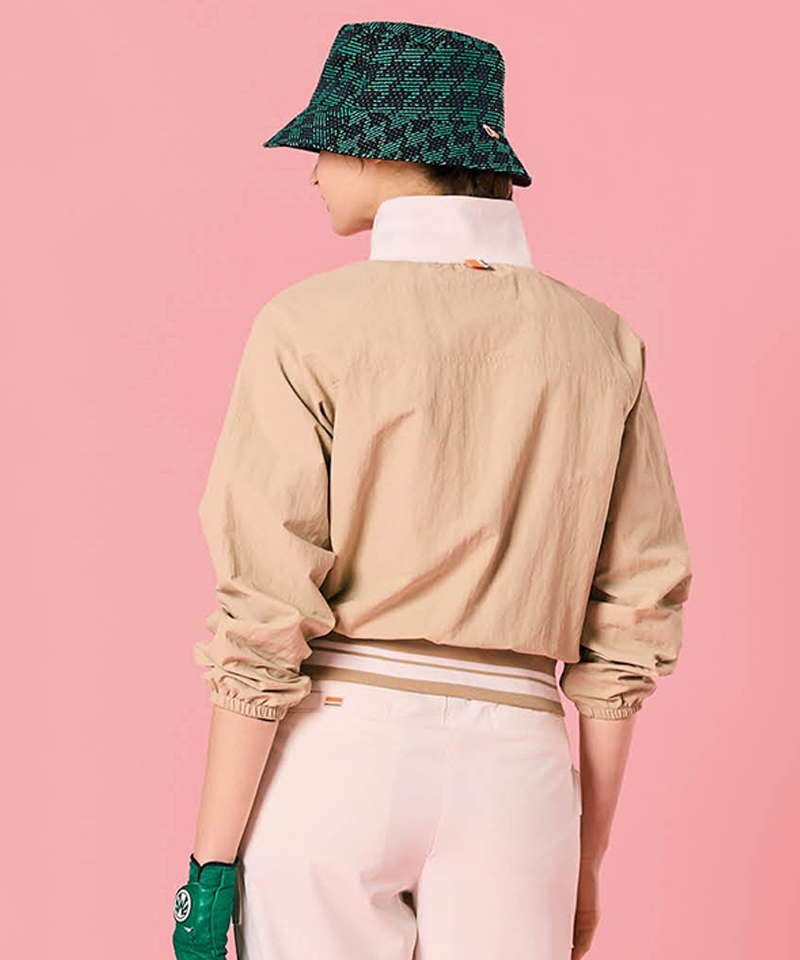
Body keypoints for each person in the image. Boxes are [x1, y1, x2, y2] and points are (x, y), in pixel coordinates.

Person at [172, 20, 693, 960]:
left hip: (338, 750)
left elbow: (263, 611)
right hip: (520, 765)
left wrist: (208, 870)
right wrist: (585, 863)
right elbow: (630, 623)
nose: (314, 170)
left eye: (328, 144)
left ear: (383, 150)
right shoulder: (603, 341)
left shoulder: (307, 324)